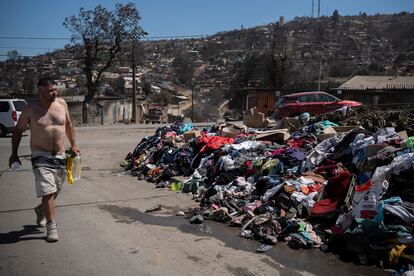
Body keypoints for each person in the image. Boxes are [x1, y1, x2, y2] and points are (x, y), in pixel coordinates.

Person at [9, 77, 80, 242]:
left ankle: (41, 209)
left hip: (61, 155)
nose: (54, 93)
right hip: (40, 156)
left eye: (55, 89)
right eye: (50, 90)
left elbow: (68, 125)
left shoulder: (62, 104)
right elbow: (18, 131)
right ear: (40, 92)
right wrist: (14, 154)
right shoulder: (30, 110)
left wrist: (74, 145)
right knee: (48, 192)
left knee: (55, 191)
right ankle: (52, 227)